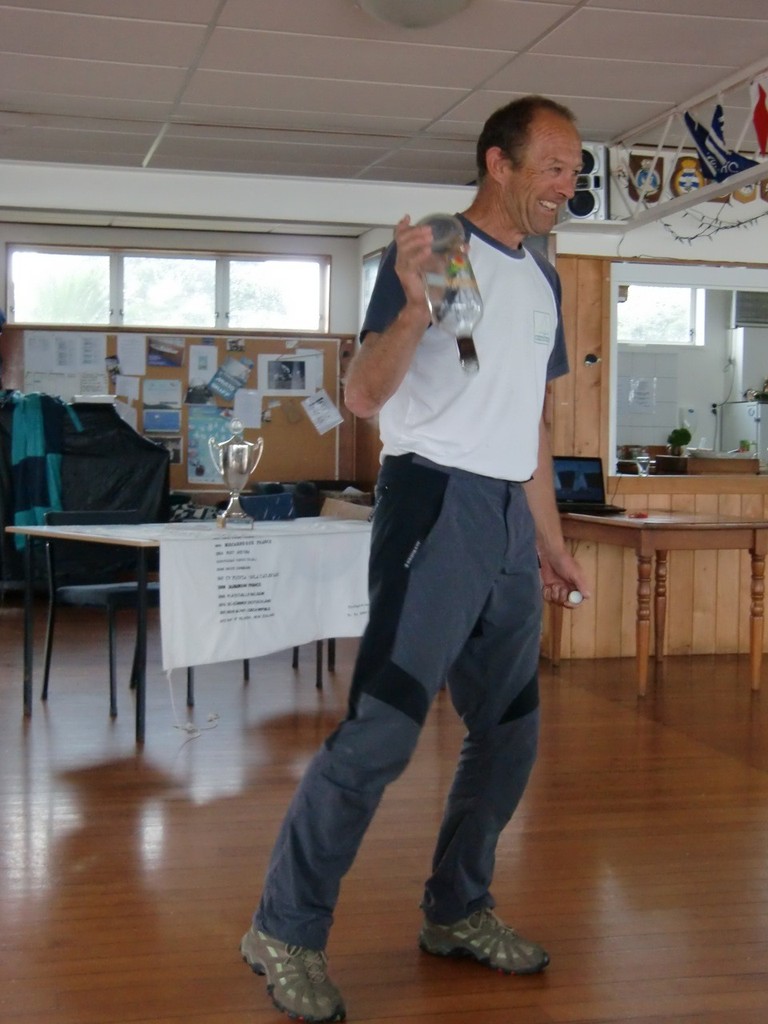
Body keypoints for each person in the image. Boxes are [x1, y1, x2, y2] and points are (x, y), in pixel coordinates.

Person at [240, 94, 590, 1023]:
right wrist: (406, 313)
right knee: (384, 730)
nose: (568, 183)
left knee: (509, 731)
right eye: (553, 165)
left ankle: (457, 908)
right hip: (433, 501)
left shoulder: (545, 280)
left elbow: (533, 423)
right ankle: (284, 925)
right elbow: (360, 396)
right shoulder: (438, 250)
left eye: (575, 169)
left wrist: (548, 543)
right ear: (498, 163)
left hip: (509, 521)